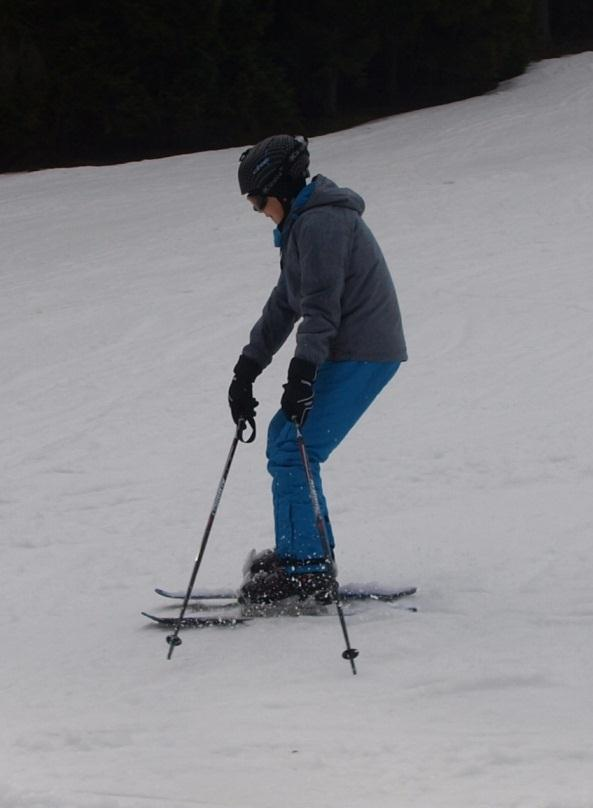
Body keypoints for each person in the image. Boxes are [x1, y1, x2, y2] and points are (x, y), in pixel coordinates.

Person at [228, 134, 407, 605]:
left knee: (292, 447)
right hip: (349, 349)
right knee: (288, 442)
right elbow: (285, 303)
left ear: (279, 191)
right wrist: (246, 368)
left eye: (259, 202)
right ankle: (303, 555)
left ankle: (305, 573)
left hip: (363, 350)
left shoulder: (322, 225)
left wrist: (301, 374)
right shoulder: (304, 225)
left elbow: (320, 311)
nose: (258, 212)